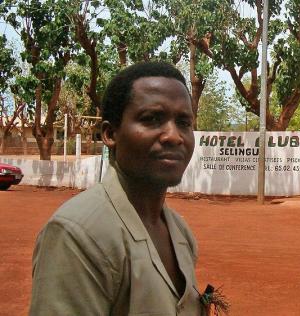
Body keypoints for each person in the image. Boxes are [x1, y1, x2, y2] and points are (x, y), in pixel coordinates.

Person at [29, 61, 205, 315]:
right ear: (110, 134)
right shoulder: (77, 235)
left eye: (184, 123)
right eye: (152, 119)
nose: (174, 136)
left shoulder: (181, 233)